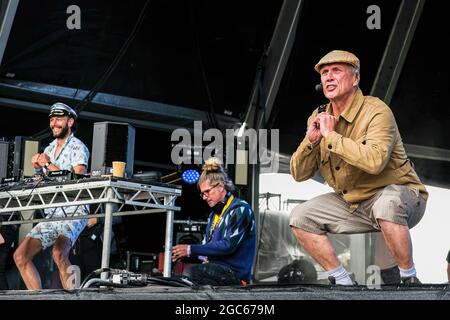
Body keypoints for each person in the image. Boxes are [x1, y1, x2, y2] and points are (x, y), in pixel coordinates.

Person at [289, 50, 428, 285]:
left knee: (387, 204)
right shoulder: (319, 115)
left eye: (336, 71)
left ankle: (408, 278)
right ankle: (343, 282)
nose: (329, 77)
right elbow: (298, 174)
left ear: (355, 79)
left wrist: (331, 136)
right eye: (324, 73)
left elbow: (374, 162)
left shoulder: (377, 111)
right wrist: (311, 141)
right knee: (300, 216)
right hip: (354, 203)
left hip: (401, 197)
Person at [13, 102, 91, 290]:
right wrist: (39, 170)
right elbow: (42, 181)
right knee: (20, 256)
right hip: (53, 213)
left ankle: (75, 296)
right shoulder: (48, 149)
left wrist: (47, 165)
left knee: (58, 253)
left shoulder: (79, 147)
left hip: (74, 211)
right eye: (52, 119)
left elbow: (77, 179)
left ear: (70, 122)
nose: (54, 123)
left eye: (58, 119)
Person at [171, 157, 256, 286]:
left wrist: (190, 249)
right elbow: (206, 253)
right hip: (217, 271)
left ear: (221, 186)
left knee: (193, 273)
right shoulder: (213, 215)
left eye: (207, 192)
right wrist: (185, 255)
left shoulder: (241, 209)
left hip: (236, 276)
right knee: (179, 275)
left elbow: (228, 245)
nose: (205, 197)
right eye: (202, 194)